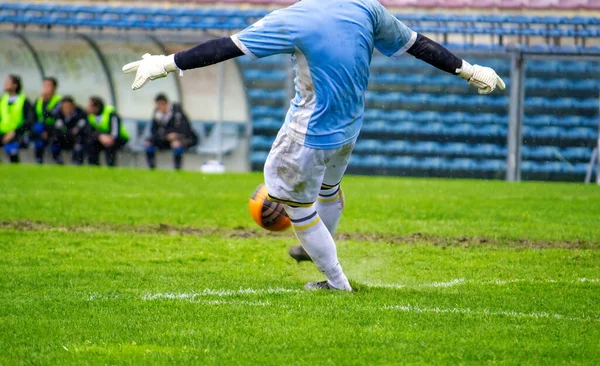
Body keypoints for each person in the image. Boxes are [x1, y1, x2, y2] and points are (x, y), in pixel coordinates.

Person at [123, 0, 505, 291]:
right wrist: (469, 70)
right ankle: (316, 247)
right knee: (328, 189)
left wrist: (166, 63)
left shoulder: (294, 17)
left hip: (309, 131)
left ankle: (336, 283)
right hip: (349, 127)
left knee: (294, 204)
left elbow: (228, 46)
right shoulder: (366, 8)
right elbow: (417, 44)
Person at [145, 94, 198, 170]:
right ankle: (152, 168)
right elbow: (153, 131)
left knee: (176, 144)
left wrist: (175, 135)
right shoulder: (157, 114)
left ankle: (177, 168)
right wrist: (164, 136)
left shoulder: (177, 113)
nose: (159, 107)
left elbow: (185, 129)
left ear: (166, 103)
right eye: (157, 105)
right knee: (148, 143)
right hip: (164, 138)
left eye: (161, 105)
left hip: (182, 139)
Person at [0, 75, 36, 164]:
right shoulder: (3, 100)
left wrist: (15, 132)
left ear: (15, 85)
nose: (5, 84)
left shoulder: (24, 101)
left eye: (8, 82)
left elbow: (30, 121)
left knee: (13, 149)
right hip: (2, 133)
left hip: (17, 134)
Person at [86, 96, 129, 167]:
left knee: (110, 145)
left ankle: (111, 166)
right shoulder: (90, 115)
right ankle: (94, 166)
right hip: (101, 138)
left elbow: (115, 131)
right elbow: (89, 130)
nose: (87, 108)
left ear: (96, 107)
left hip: (119, 138)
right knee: (91, 143)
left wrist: (108, 138)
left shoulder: (111, 113)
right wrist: (100, 136)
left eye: (89, 106)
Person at [32, 77, 62, 164]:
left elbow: (51, 115)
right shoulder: (38, 101)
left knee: (54, 135)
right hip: (41, 129)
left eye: (48, 85)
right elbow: (33, 117)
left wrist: (45, 101)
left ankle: (58, 159)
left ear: (54, 88)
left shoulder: (59, 101)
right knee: (36, 128)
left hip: (54, 128)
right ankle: (38, 159)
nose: (45, 88)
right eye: (44, 85)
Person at [51, 96, 88, 165]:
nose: (66, 109)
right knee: (54, 139)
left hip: (76, 139)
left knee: (80, 139)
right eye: (64, 107)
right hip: (64, 138)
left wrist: (73, 131)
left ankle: (77, 161)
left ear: (73, 106)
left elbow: (81, 128)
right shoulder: (58, 115)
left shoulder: (81, 113)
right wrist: (69, 131)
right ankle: (58, 160)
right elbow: (58, 128)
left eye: (68, 107)